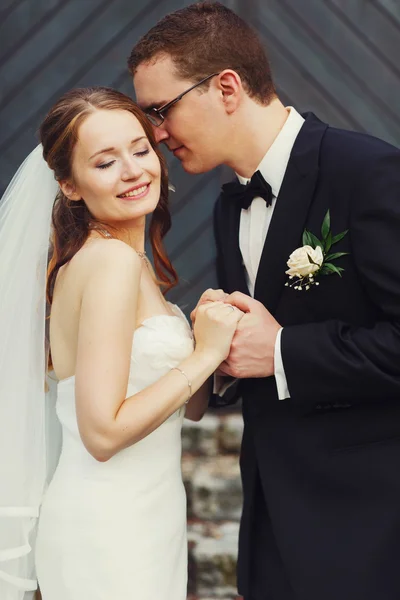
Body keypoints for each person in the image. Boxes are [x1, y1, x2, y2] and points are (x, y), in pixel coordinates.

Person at [129, 3, 400, 600]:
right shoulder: (230, 206)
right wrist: (218, 355)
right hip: (274, 522)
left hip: (369, 526)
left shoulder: (369, 172)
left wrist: (280, 350)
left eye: (160, 109)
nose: (154, 134)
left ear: (226, 87)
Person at [0, 86, 243, 600]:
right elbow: (103, 434)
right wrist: (203, 354)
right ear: (68, 185)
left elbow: (188, 409)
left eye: (139, 149)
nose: (134, 170)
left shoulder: (119, 259)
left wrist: (206, 341)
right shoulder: (108, 264)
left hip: (149, 519)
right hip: (110, 528)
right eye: (106, 162)